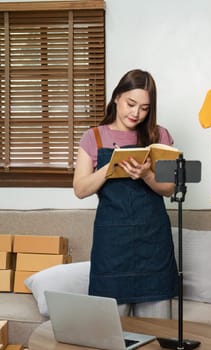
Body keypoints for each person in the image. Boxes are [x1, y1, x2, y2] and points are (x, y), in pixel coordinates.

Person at [73, 69, 178, 319]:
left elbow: (169, 188)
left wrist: (146, 175)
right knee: (111, 330)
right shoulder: (94, 137)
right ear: (117, 97)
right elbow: (80, 189)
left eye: (144, 108)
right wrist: (110, 168)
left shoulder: (159, 135)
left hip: (153, 241)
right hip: (112, 245)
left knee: (157, 331)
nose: (136, 113)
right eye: (131, 104)